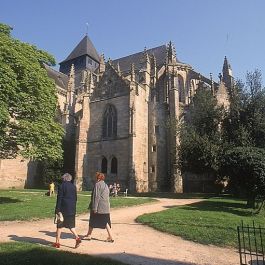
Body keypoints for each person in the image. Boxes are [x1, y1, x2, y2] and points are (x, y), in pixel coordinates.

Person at [53, 173, 82, 248]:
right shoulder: (73, 186)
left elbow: (59, 199)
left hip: (63, 209)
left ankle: (57, 242)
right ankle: (77, 237)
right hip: (71, 209)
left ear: (64, 179)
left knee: (59, 226)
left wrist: (57, 210)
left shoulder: (62, 186)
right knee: (71, 226)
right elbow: (75, 198)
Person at [84, 172, 114, 242]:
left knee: (92, 220)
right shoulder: (106, 185)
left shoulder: (97, 185)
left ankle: (89, 235)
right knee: (106, 222)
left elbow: (96, 197)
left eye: (96, 177)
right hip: (105, 207)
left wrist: (94, 208)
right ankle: (110, 237)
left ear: (98, 178)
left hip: (99, 207)